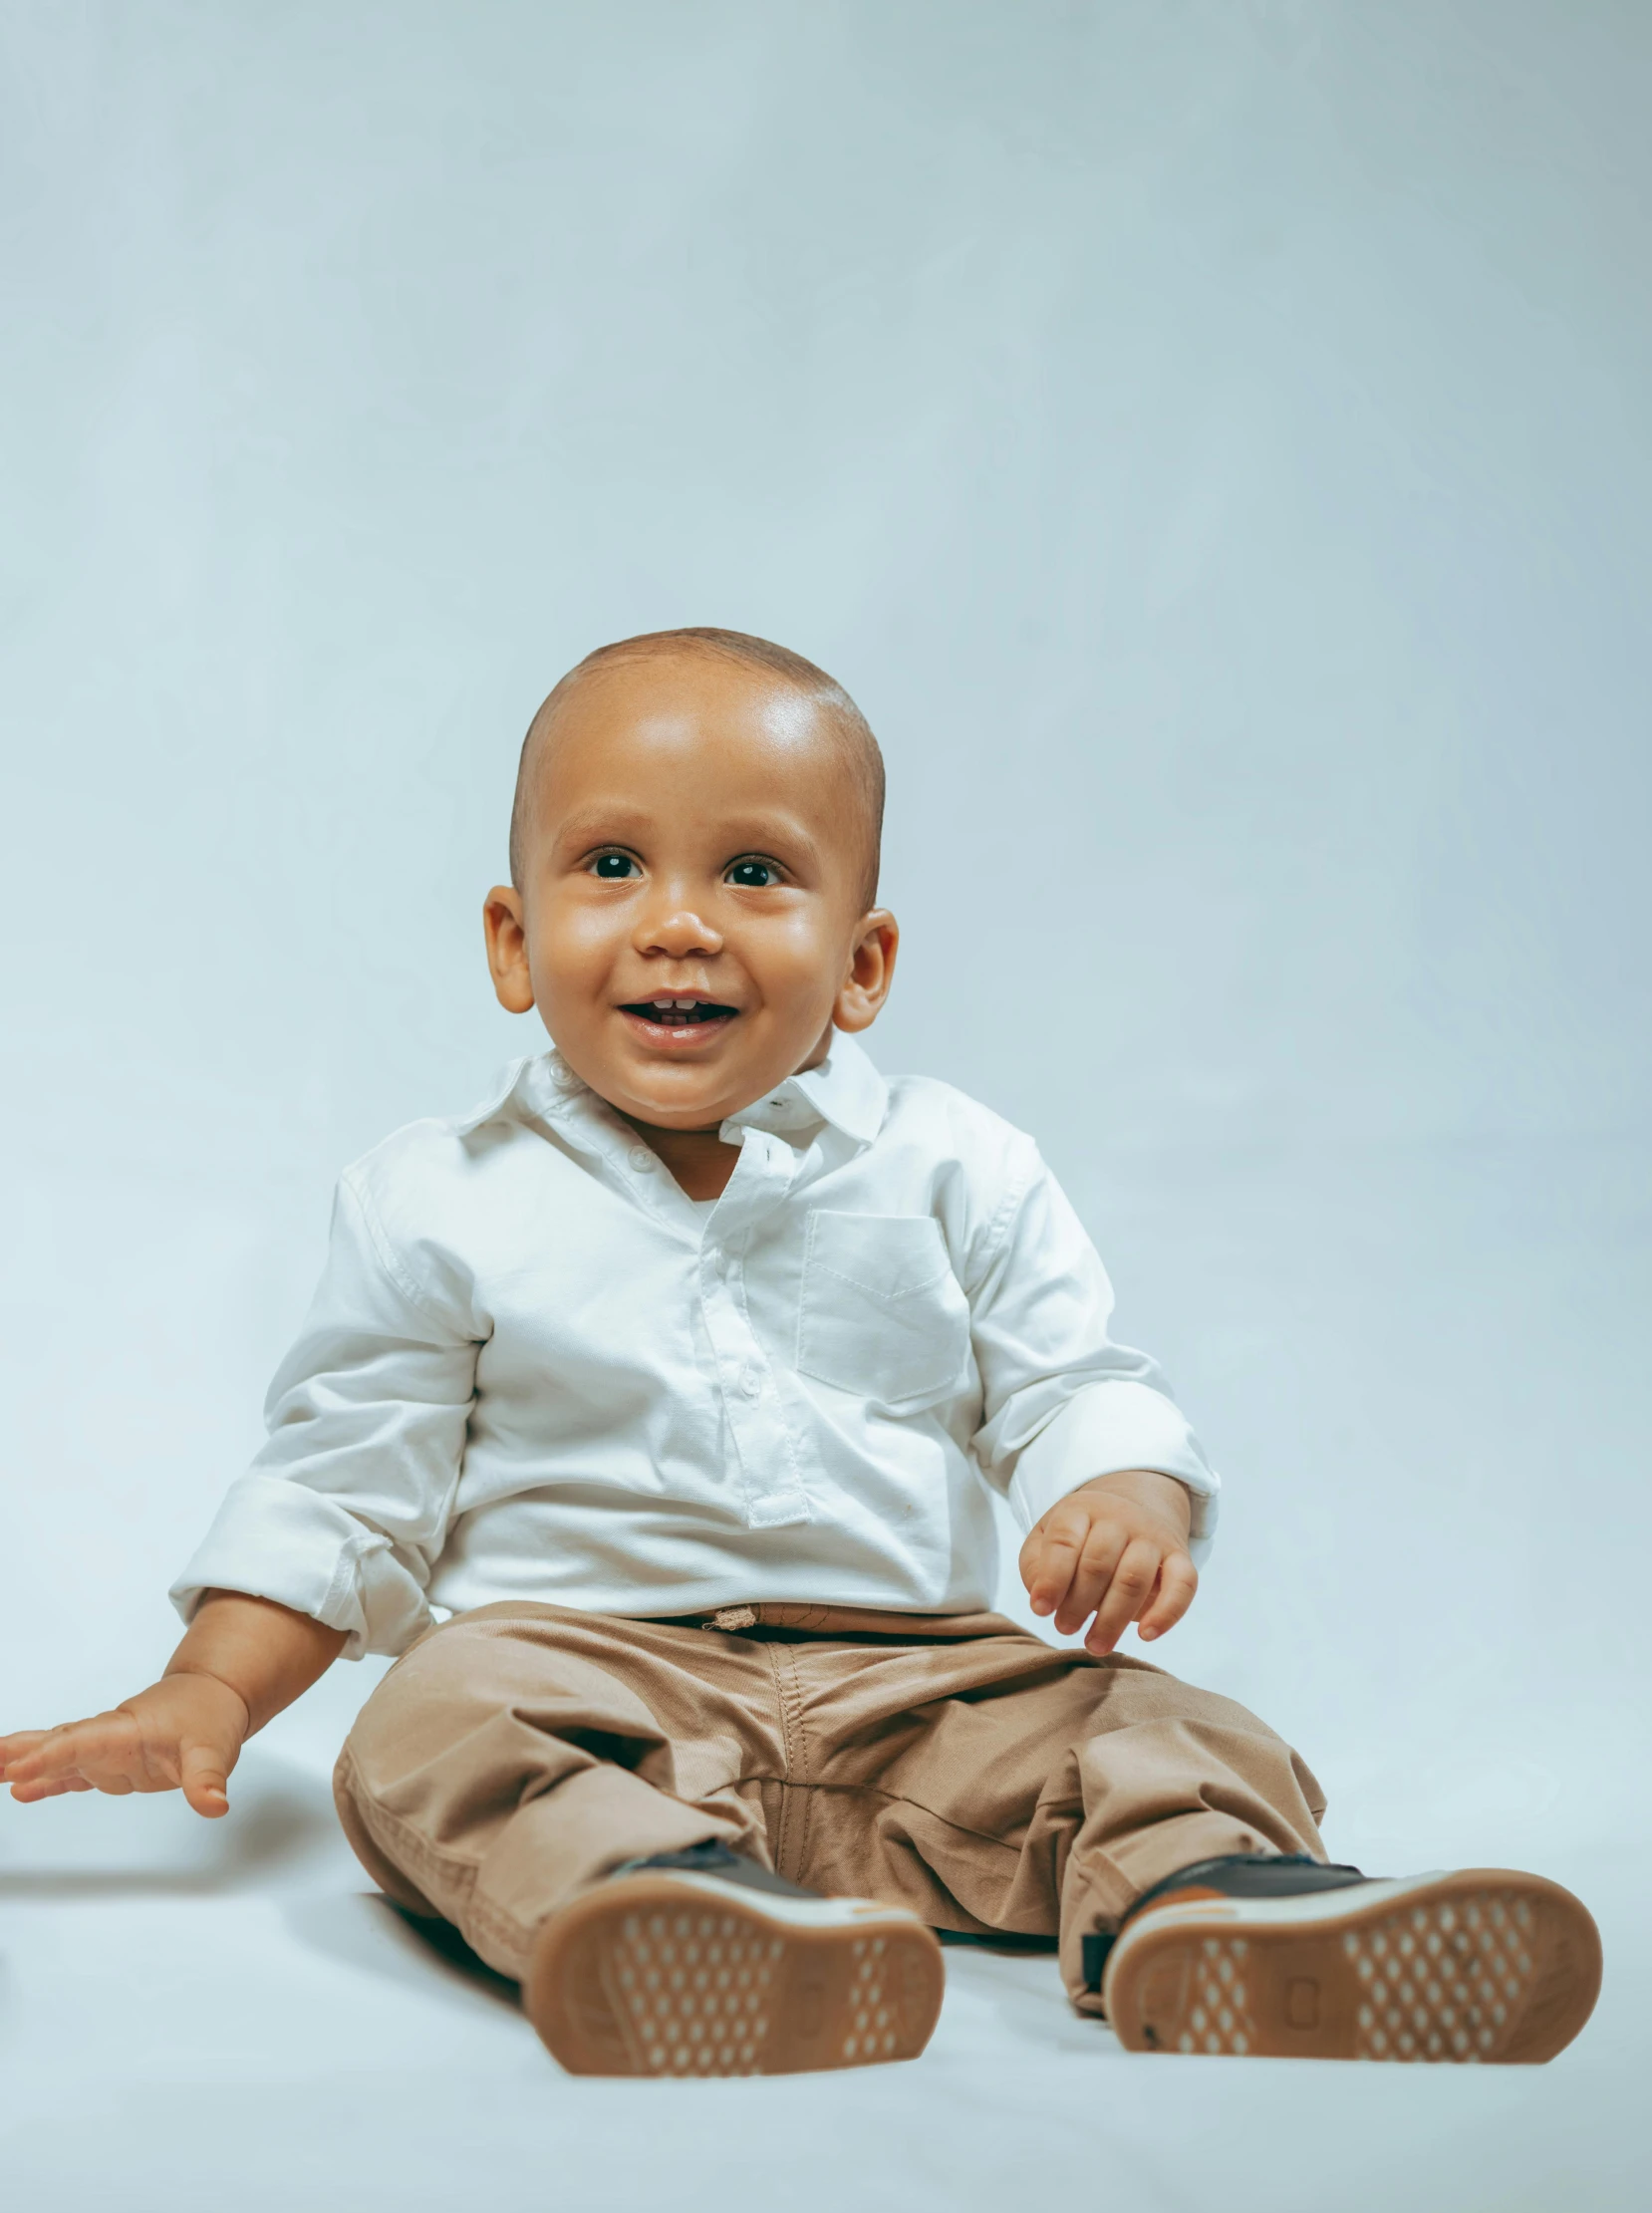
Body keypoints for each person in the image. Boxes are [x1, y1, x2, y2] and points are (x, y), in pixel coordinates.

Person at [0, 630, 1601, 2076]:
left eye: (755, 874)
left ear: (860, 965)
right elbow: (349, 1484)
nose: (680, 925)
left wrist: (1126, 1491)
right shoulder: (435, 1194)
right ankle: (659, 1905)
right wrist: (210, 1685)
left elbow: (1068, 1377)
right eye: (612, 864)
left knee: (1173, 1724)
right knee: (428, 1724)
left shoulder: (955, 1164)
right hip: (586, 1672)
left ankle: (1213, 1905)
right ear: (511, 939)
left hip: (925, 1686)